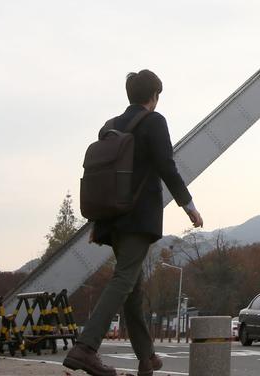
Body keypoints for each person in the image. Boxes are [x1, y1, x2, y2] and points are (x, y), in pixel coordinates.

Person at [64, 69, 203, 376]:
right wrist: (188, 205)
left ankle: (146, 358)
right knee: (124, 280)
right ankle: (86, 348)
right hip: (138, 218)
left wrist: (97, 223)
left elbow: (102, 179)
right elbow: (166, 165)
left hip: (111, 219)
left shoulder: (110, 126)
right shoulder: (154, 121)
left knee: (133, 288)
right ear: (154, 96)